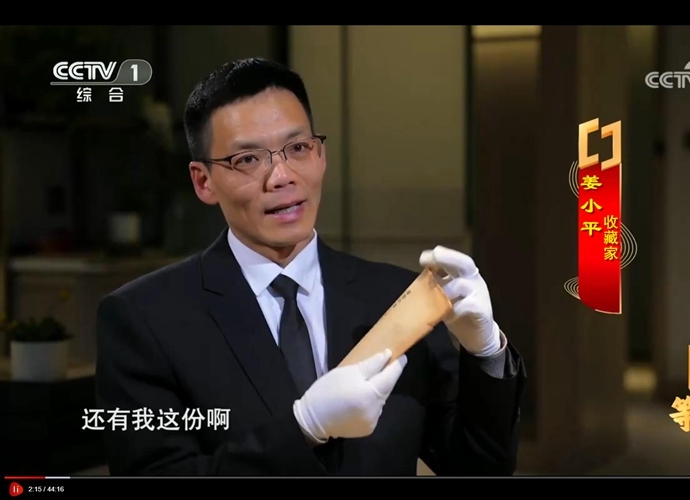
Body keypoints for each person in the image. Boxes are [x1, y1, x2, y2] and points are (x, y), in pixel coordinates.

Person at [95, 58, 526, 476]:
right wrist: (304, 427)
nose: (281, 176)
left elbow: (479, 466)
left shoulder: (395, 299)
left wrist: (486, 350)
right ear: (203, 181)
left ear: (321, 155)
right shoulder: (144, 319)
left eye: (298, 148)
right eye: (248, 159)